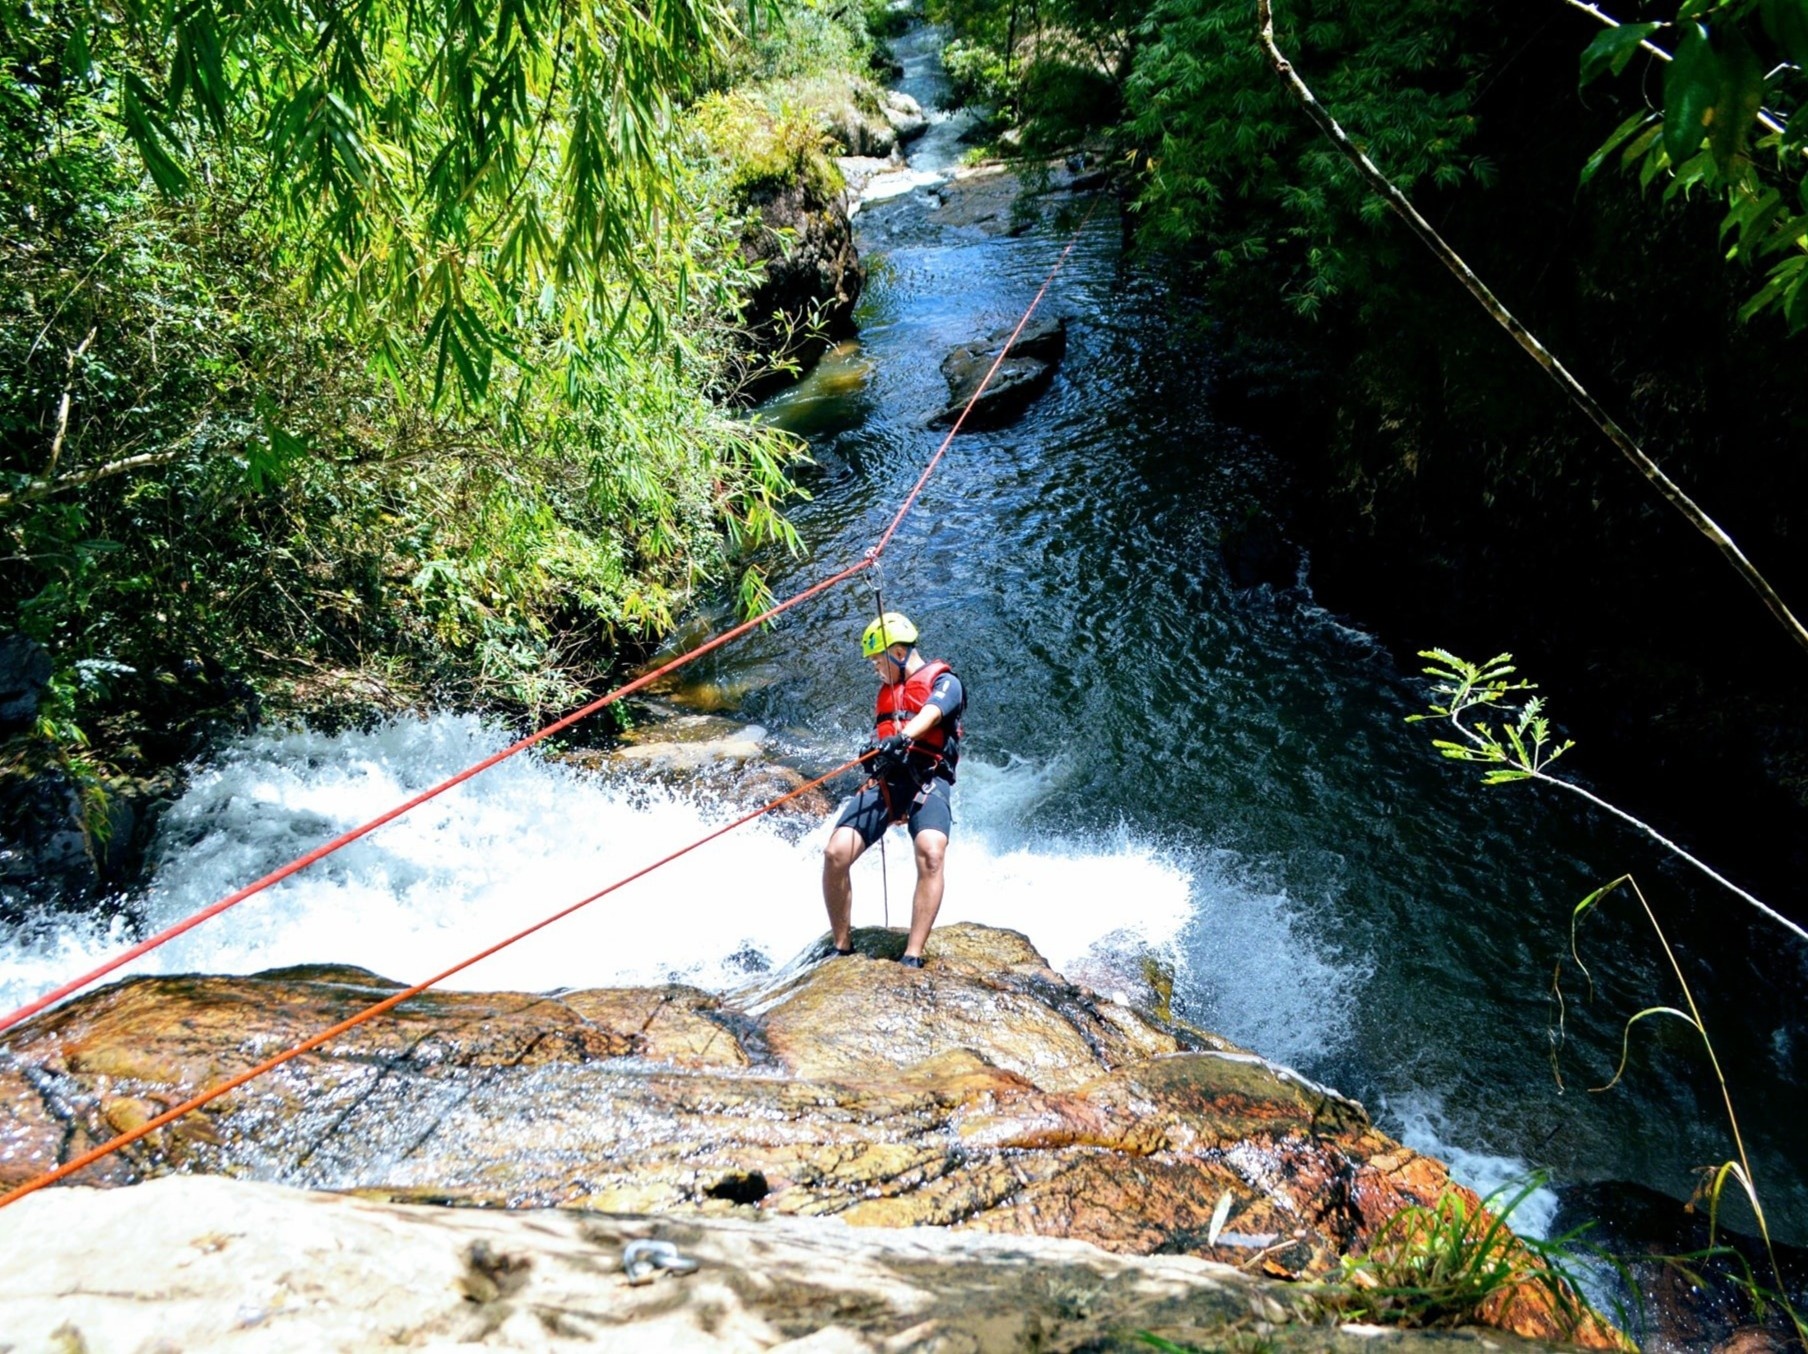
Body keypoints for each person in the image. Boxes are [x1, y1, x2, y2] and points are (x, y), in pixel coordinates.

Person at [822, 611, 966, 968]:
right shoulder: (887, 693)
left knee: (931, 851)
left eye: (877, 661)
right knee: (835, 853)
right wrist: (873, 750)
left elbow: (932, 714)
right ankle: (842, 947)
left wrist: (903, 737)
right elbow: (884, 734)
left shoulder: (946, 682)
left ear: (898, 654)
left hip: (927, 780)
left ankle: (912, 955)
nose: (875, 669)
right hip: (887, 782)